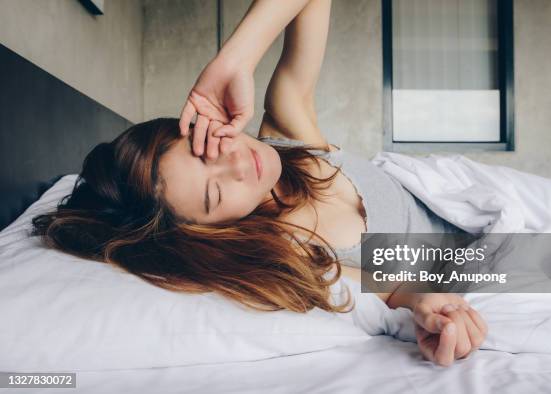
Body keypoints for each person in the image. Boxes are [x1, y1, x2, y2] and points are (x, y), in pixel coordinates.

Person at [32, 0, 487, 367]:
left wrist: (236, 59)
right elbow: (390, 287)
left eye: (204, 149)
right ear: (207, 230)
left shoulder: (289, 135)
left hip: (479, 204)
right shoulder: (287, 247)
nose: (237, 165)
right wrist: (427, 303)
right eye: (215, 194)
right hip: (490, 257)